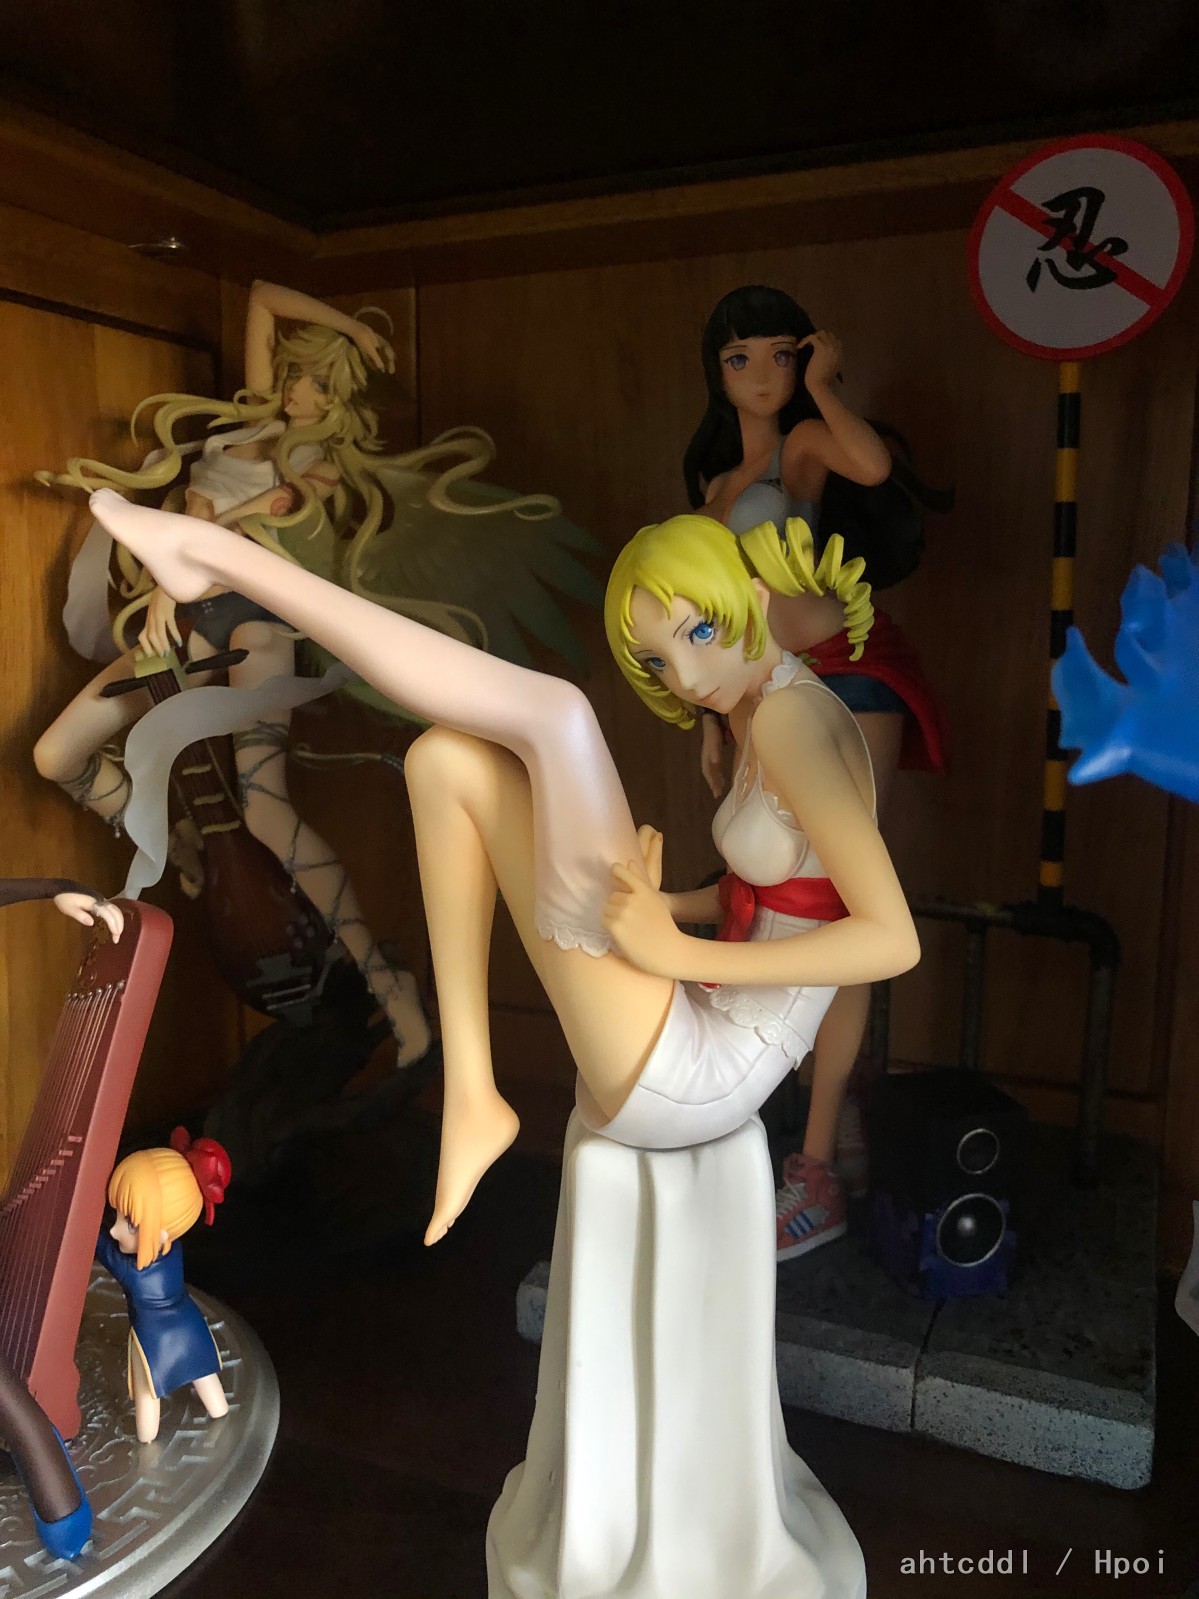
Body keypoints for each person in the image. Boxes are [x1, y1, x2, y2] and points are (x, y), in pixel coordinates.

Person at [86, 487, 919, 1242]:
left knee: (557, 714)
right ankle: (473, 1094)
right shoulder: (757, 709)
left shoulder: (788, 723)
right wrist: (670, 907)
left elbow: (889, 940)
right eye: (660, 661)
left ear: (754, 600)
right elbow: (787, 890)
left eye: (699, 632)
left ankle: (223, 557)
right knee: (445, 761)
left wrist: (674, 950)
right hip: (689, 1013)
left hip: (701, 1073)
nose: (689, 679)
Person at [33, 282, 571, 1070]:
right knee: (56, 755)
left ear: (340, 398)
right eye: (293, 373)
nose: (297, 389)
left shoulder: (318, 470)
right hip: (173, 624)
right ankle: (183, 844)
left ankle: (388, 987)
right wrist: (350, 324)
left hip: (250, 626)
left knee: (266, 808)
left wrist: (184, 547)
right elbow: (260, 298)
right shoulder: (250, 426)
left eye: (317, 380)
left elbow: (233, 542)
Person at [684, 284, 949, 1246]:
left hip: (844, 666)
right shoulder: (715, 481)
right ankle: (794, 1125)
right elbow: (707, 612)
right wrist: (708, 720)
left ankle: (820, 1159)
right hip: (757, 684)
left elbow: (871, 466)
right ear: (715, 374)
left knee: (841, 895)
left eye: (778, 354)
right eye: (738, 359)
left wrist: (828, 387)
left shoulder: (798, 448)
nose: (761, 374)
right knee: (765, 874)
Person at [95, 1130, 232, 1445]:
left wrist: (87, 1215)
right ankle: (218, 1407)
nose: (115, 1230)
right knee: (202, 1370)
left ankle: (147, 1436)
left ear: (159, 1234)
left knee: (148, 1389)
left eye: (130, 1223)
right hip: (189, 1322)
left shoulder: (133, 1272)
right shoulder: (173, 1251)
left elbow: (101, 1244)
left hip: (153, 1338)